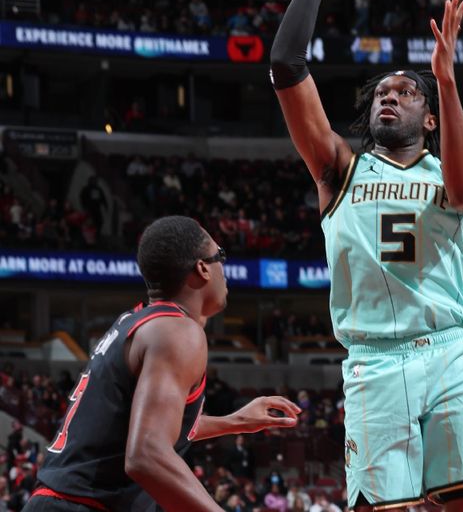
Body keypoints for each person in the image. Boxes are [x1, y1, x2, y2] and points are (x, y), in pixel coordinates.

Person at [269, 0, 463, 512]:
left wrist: (446, 82)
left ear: (430, 119)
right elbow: (285, 63)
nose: (389, 98)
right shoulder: (338, 168)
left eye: (405, 92)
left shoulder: (446, 175)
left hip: (451, 350)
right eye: (381, 95)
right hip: (374, 360)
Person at [23, 216, 302, 512]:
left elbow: (148, 426)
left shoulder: (135, 322)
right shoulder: (177, 332)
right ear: (202, 267)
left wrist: (235, 422)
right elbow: (146, 453)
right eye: (220, 255)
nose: (225, 268)